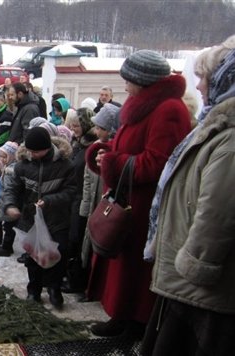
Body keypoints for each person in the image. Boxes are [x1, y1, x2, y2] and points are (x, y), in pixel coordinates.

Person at [85, 49, 191, 337]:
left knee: (134, 270)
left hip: (142, 208)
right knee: (122, 266)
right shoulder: (142, 104)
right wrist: (103, 153)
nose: (124, 85)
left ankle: (135, 321)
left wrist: (112, 162)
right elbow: (125, 148)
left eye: (128, 79)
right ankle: (122, 315)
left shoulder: (168, 109)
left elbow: (158, 162)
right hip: (128, 198)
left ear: (142, 80)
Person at [141, 36, 235, 356]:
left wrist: (193, 264)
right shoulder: (213, 126)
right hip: (186, 282)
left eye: (205, 76)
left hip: (200, 287)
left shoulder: (229, 138)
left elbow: (218, 211)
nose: (199, 84)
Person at [2, 127, 76, 308]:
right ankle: (33, 290)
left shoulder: (65, 165)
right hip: (31, 218)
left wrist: (49, 201)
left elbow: (71, 191)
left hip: (57, 219)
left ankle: (54, 289)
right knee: (33, 257)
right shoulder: (22, 166)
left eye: (36, 151)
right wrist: (10, 206)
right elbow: (12, 189)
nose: (32, 154)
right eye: (30, 150)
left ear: (47, 148)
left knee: (58, 255)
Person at [78, 103, 120, 302]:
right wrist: (86, 207)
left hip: (107, 209)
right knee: (88, 245)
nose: (95, 131)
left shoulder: (116, 151)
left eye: (100, 128)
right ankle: (86, 284)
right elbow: (87, 179)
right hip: (93, 206)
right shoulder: (95, 148)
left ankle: (95, 288)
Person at [63, 107, 97, 296]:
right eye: (72, 125)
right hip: (73, 196)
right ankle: (70, 275)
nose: (73, 128)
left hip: (82, 198)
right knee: (71, 238)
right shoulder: (78, 143)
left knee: (77, 239)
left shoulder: (91, 146)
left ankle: (78, 281)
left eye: (76, 125)